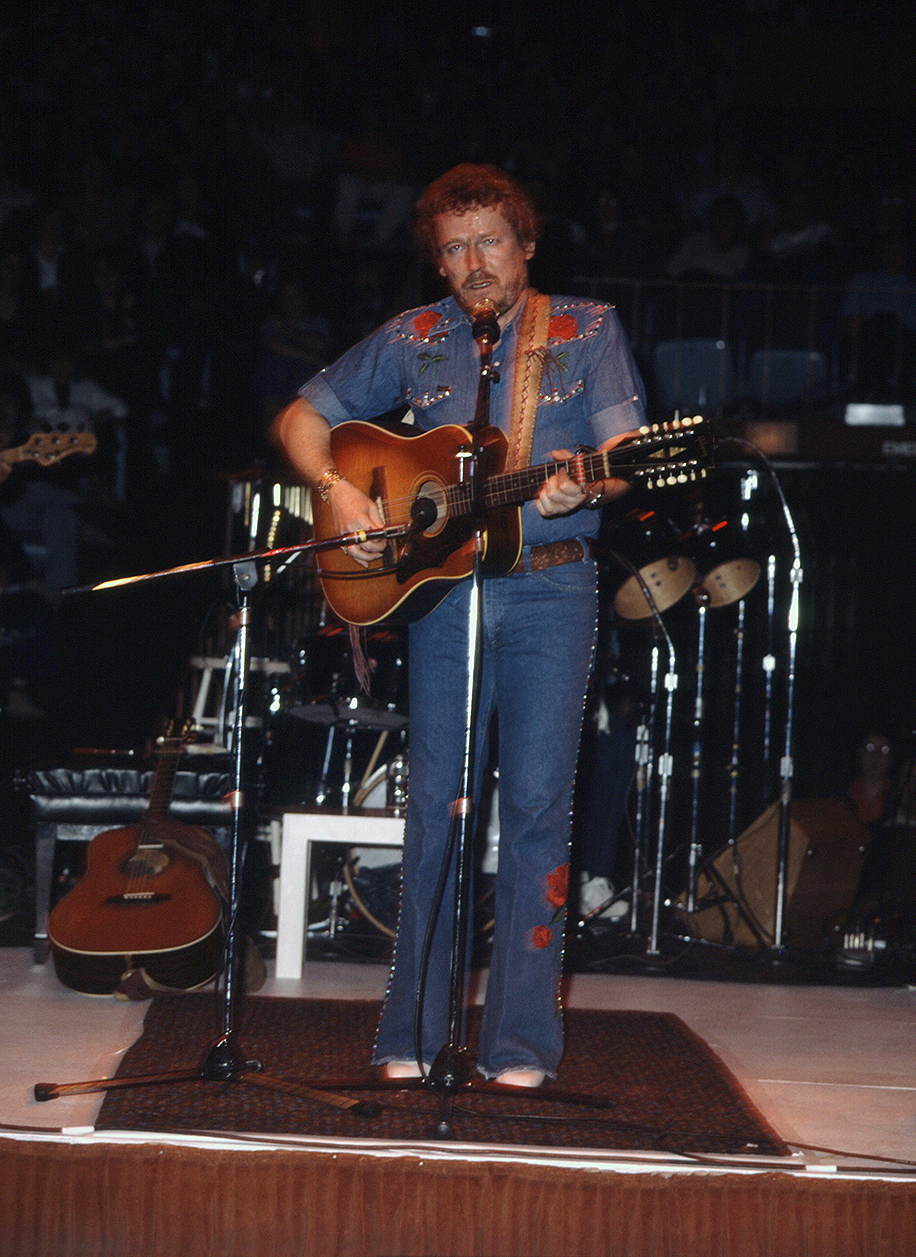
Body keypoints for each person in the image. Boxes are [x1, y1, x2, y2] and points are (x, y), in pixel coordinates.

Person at [274, 164, 646, 1087]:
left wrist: (586, 480)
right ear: (437, 263)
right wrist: (334, 492)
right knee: (435, 802)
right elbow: (302, 416)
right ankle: (409, 1030)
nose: (474, 261)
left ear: (526, 245)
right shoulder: (415, 336)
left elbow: (629, 453)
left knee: (531, 809)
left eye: (490, 240)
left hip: (551, 591)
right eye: (454, 247)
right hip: (444, 597)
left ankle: (519, 1042)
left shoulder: (589, 327)